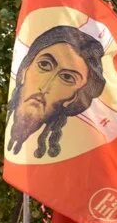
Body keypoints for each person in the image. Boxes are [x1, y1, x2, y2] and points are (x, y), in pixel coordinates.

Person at [6, 25, 106, 159]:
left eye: (67, 78)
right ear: (25, 69)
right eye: (44, 65)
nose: (45, 87)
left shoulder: (73, 154)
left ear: (73, 98)